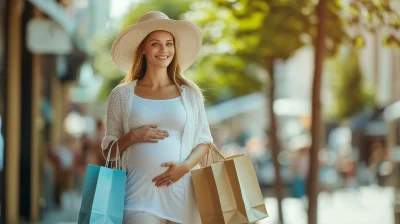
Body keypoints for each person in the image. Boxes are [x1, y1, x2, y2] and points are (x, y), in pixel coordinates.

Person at [102, 11, 213, 224]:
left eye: (169, 43)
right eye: (155, 44)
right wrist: (132, 136)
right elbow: (108, 152)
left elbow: (204, 140)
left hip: (183, 196)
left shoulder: (190, 93)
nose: (164, 50)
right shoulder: (122, 95)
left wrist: (185, 167)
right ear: (142, 49)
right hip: (137, 197)